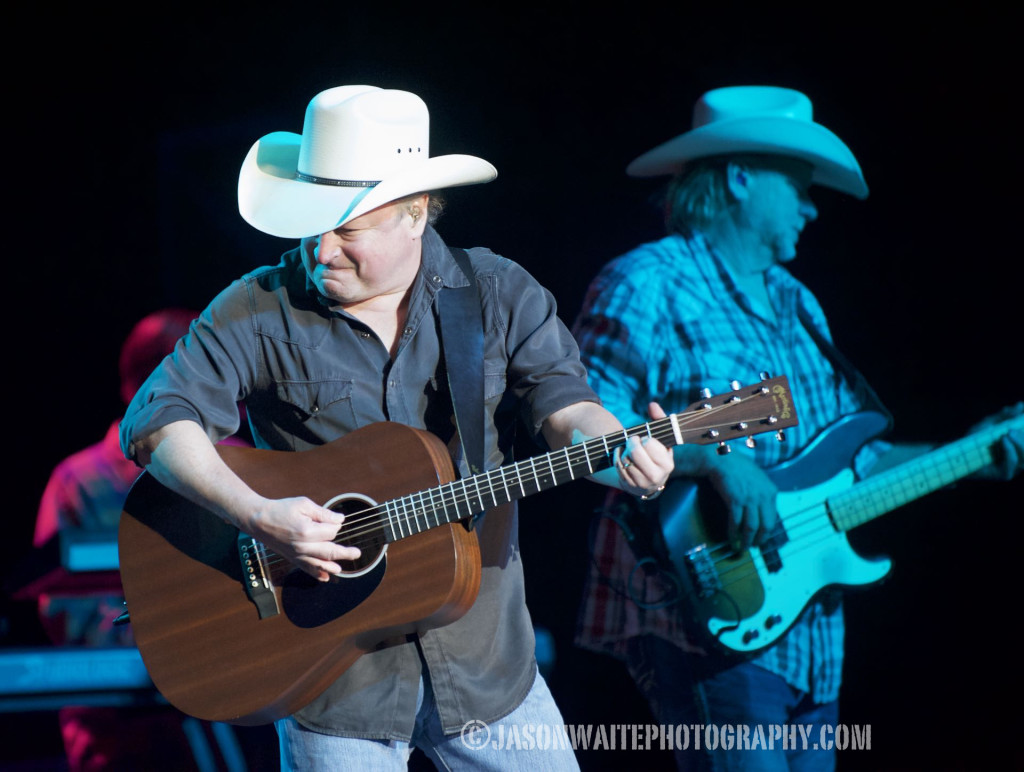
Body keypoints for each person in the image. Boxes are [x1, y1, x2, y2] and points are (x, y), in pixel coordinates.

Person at [118, 84, 674, 771]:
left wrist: (613, 451)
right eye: (311, 224)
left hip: (487, 668)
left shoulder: (497, 291)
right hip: (330, 683)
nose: (320, 250)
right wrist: (260, 515)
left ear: (415, 215)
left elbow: (566, 408)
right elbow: (157, 422)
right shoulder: (258, 306)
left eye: (347, 230)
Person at [571, 85, 1023, 771]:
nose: (814, 208)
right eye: (801, 188)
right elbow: (582, 438)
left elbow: (854, 461)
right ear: (741, 177)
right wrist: (711, 462)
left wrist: (967, 453)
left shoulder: (800, 304)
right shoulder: (646, 282)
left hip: (810, 636)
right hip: (704, 616)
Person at [33, 308, 216, 771]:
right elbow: (63, 610)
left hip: (231, 692)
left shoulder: (236, 463)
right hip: (121, 725)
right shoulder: (79, 479)